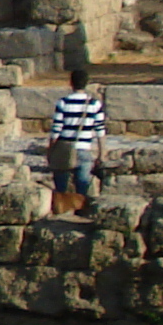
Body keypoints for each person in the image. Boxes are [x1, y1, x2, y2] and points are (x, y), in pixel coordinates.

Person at [48, 66, 105, 215]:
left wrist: (50, 150)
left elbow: (56, 130)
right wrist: (101, 154)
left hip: (64, 150)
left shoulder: (63, 103)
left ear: (71, 83)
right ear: (86, 83)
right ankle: (81, 214)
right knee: (82, 189)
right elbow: (100, 131)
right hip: (84, 149)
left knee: (60, 189)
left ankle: (60, 213)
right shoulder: (94, 104)